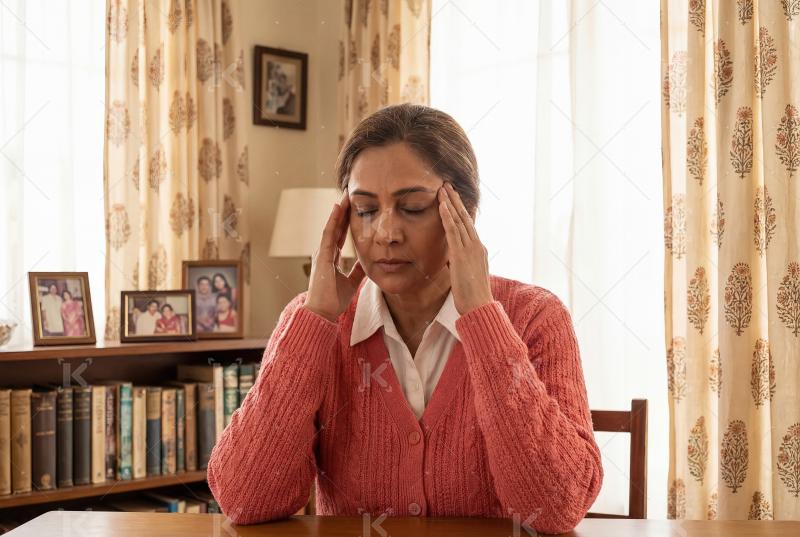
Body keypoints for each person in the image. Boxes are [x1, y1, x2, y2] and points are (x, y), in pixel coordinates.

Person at [207, 104, 603, 534]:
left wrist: (483, 320)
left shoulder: (535, 317)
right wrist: (316, 318)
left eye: (412, 207)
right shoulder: (313, 323)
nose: (385, 233)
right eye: (365, 210)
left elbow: (556, 507)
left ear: (465, 213)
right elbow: (246, 500)